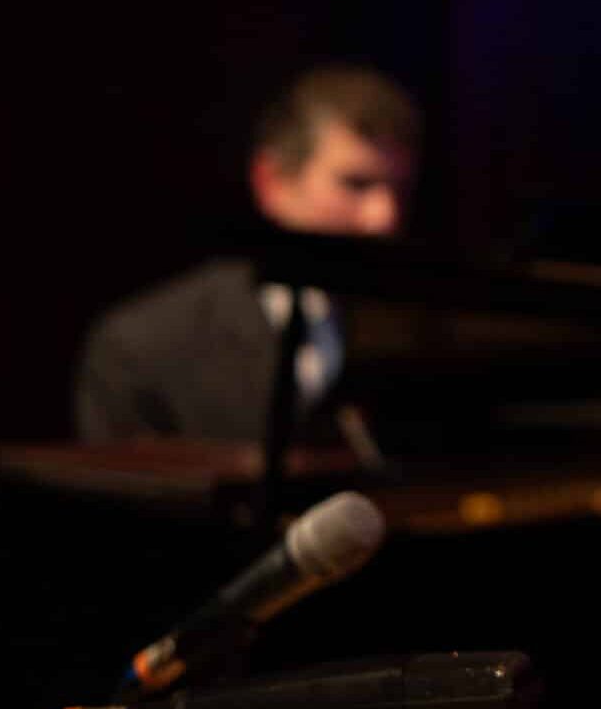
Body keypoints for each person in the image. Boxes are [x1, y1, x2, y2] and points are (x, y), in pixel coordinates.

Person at [73, 64, 420, 444]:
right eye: (356, 183)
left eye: (400, 190)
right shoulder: (144, 344)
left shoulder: (417, 332)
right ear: (273, 182)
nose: (384, 218)